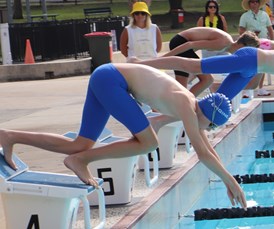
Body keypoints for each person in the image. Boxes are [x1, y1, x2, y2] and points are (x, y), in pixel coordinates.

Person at [0, 63, 247, 209]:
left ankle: (10, 136)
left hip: (107, 77)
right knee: (149, 143)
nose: (210, 131)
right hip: (112, 81)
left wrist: (150, 127)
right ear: (208, 116)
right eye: (213, 126)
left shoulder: (189, 109)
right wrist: (231, 181)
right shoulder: (186, 105)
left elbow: (203, 146)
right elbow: (202, 151)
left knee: (80, 144)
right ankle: (82, 161)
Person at [132, 46, 274, 125]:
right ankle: (142, 64)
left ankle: (159, 120)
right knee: (195, 65)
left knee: (215, 106)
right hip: (249, 59)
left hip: (250, 70)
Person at [144, 27, 260, 96]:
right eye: (247, 51)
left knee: (182, 86)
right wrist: (164, 58)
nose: (245, 56)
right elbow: (190, 44)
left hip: (183, 44)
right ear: (241, 44)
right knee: (207, 80)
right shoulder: (224, 43)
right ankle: (186, 104)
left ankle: (180, 103)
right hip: (181, 42)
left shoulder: (226, 45)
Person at [239, 0, 274, 97]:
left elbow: (270, 28)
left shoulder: (264, 14)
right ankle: (246, 89)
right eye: (252, 2)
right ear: (249, 4)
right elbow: (241, 30)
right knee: (251, 66)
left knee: (263, 65)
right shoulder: (245, 16)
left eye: (256, 2)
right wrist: (250, 35)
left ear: (259, 4)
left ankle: (261, 88)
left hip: (264, 42)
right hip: (250, 43)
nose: (254, 4)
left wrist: (273, 42)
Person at [196, 0, 229, 92]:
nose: (212, 8)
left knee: (224, 66)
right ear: (207, 8)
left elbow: (225, 31)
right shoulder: (202, 19)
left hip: (221, 47)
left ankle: (224, 88)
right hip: (208, 48)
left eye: (214, 7)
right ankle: (211, 89)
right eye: (210, 7)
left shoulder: (221, 18)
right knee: (210, 68)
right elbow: (198, 33)